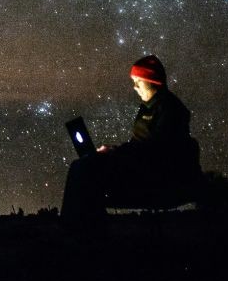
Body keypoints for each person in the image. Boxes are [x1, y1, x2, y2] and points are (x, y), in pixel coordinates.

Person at [60, 55, 201, 228]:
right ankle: (84, 223)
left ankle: (75, 226)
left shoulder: (171, 109)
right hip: (138, 163)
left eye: (138, 82)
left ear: (152, 81)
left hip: (152, 172)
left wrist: (116, 153)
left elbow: (156, 148)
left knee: (83, 168)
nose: (134, 87)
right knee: (84, 164)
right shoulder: (148, 107)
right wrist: (115, 150)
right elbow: (139, 144)